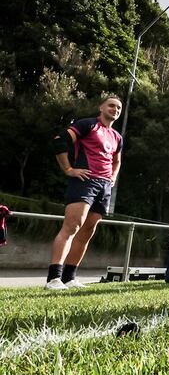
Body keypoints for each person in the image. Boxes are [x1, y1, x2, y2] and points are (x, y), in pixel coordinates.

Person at [46, 95, 123, 290]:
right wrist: (68, 169)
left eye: (119, 108)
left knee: (88, 231)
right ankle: (53, 278)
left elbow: (117, 160)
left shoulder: (117, 136)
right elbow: (59, 141)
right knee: (72, 226)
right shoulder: (88, 125)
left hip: (105, 186)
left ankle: (69, 277)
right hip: (85, 181)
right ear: (101, 107)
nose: (115, 109)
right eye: (111, 105)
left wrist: (113, 177)